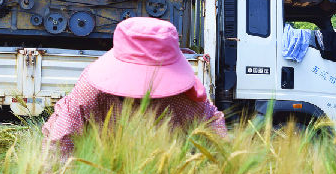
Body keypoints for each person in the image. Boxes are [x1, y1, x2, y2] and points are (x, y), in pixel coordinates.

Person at [43, 17, 227, 157]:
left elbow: (212, 126)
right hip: (94, 173)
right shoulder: (91, 89)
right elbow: (59, 148)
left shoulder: (182, 97)